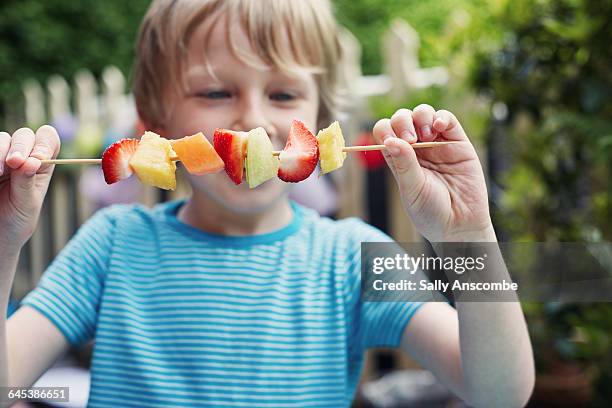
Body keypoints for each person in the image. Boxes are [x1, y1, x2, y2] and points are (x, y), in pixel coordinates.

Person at [0, 0, 534, 406]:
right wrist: (3, 240)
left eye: (282, 95)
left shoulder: (353, 256)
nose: (253, 122)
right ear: (154, 122)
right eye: (215, 93)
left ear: (320, 118)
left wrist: (468, 235)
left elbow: (500, 393)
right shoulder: (110, 246)